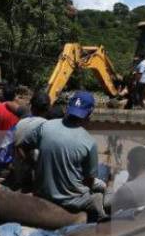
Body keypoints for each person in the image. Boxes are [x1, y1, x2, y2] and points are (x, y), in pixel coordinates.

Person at [27, 91, 105, 221]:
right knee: (101, 188)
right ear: (89, 114)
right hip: (71, 201)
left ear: (68, 108)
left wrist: (38, 167)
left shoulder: (45, 126)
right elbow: (89, 181)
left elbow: (26, 147)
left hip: (42, 193)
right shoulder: (89, 142)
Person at [8, 91, 51, 192]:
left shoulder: (21, 122)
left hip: (19, 175)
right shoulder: (46, 125)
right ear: (48, 108)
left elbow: (17, 147)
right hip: (35, 181)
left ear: (31, 107)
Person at [109, 145, 145, 212]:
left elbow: (108, 209)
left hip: (139, 221)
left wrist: (111, 181)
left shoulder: (127, 189)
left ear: (129, 164)